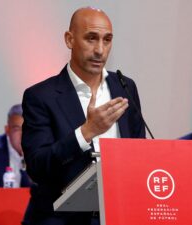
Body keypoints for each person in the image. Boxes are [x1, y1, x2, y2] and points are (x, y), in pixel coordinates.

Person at [21, 7, 146, 225]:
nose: (100, 50)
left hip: (116, 216)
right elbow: (37, 166)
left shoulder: (125, 87)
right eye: (91, 38)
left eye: (107, 40)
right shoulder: (41, 96)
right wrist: (86, 132)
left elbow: (138, 152)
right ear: (69, 39)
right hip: (59, 219)